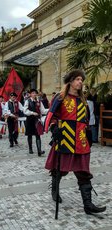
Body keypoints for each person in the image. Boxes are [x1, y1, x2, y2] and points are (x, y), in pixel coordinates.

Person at [44, 69, 106, 215]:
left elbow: (86, 119)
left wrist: (89, 134)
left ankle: (88, 205)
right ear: (70, 81)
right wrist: (54, 128)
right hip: (65, 138)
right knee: (60, 170)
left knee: (83, 172)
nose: (80, 82)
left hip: (81, 141)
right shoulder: (60, 98)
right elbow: (51, 115)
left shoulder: (83, 99)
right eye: (78, 79)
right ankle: (55, 189)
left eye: (81, 80)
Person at [24, 89, 48, 155]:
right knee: (29, 135)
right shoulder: (27, 101)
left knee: (38, 135)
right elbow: (25, 111)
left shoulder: (39, 102)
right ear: (30, 94)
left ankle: (39, 151)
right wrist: (32, 113)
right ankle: (30, 149)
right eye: (33, 93)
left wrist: (50, 110)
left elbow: (43, 111)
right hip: (29, 120)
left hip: (36, 121)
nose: (34, 94)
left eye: (35, 93)